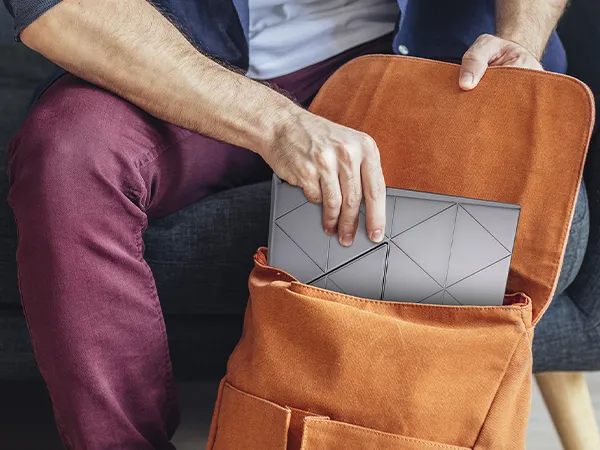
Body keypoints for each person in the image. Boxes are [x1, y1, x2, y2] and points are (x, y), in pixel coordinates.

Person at [3, 0, 572, 448]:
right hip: (184, 62)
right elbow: (57, 6)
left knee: (462, 228)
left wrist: (521, 38)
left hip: (412, 62)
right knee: (69, 154)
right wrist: (276, 126)